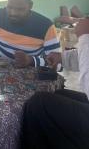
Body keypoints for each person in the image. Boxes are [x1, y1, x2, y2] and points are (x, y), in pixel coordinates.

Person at [20, 18, 89, 149]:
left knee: (38, 103)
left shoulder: (45, 24)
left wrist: (85, 38)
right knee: (58, 94)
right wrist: (63, 58)